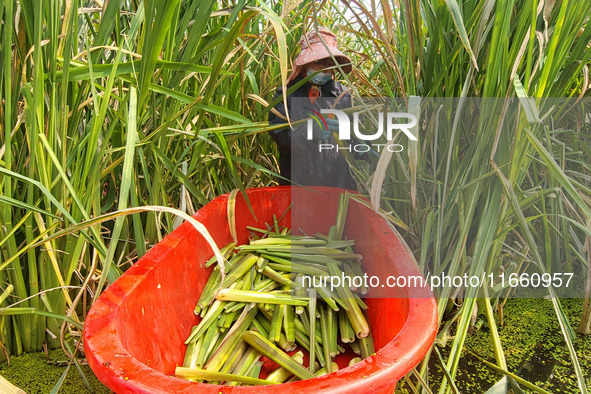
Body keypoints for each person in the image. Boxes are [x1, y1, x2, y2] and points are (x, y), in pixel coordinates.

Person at [268, 27, 356, 189]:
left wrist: (363, 147)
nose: (325, 68)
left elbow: (355, 135)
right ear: (305, 62)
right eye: (319, 62)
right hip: (299, 181)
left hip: (337, 182)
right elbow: (279, 133)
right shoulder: (288, 94)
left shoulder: (343, 95)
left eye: (329, 63)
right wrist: (310, 133)